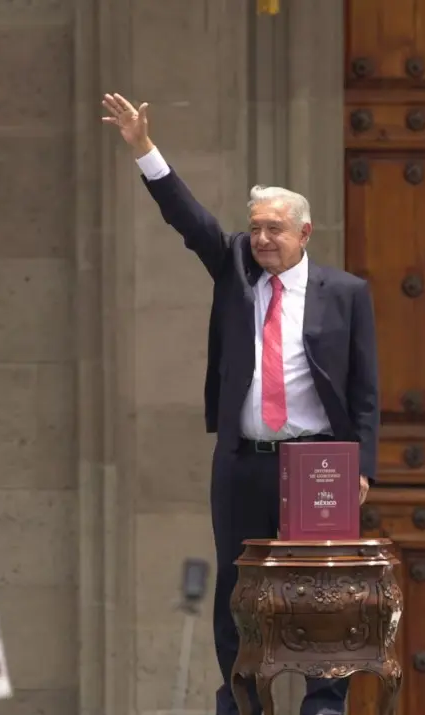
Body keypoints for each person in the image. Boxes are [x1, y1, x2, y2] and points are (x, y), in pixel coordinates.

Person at [102, 92, 379, 715]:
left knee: (322, 589)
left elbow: (365, 390)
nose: (260, 238)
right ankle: (244, 699)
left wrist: (362, 467)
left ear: (304, 232)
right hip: (244, 461)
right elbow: (188, 218)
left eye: (273, 229)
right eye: (255, 227)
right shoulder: (233, 267)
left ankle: (324, 703)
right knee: (240, 588)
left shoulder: (346, 293)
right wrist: (144, 148)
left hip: (318, 463)